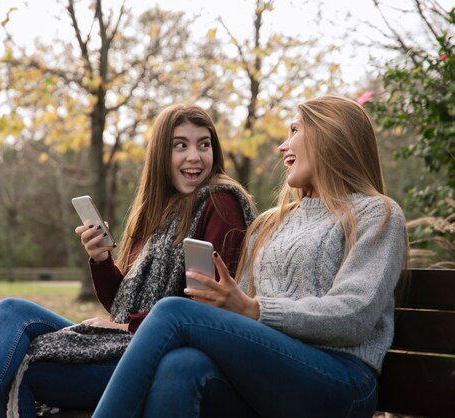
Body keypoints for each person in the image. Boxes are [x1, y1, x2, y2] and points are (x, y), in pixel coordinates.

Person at [92, 95, 409, 418]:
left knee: (174, 311)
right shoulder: (270, 223)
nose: (282, 147)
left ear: (329, 135)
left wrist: (255, 310)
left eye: (294, 131)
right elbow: (239, 311)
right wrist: (234, 304)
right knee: (181, 365)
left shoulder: (377, 214)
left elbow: (353, 317)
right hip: (270, 378)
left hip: (340, 382)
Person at [0, 104, 256, 418]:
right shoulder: (156, 214)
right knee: (13, 311)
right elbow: (120, 303)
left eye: (204, 145)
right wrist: (100, 259)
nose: (195, 156)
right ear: (161, 155)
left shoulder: (220, 202)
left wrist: (125, 327)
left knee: (20, 368)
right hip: (124, 342)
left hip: (161, 354)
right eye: (181, 145)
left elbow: (207, 308)